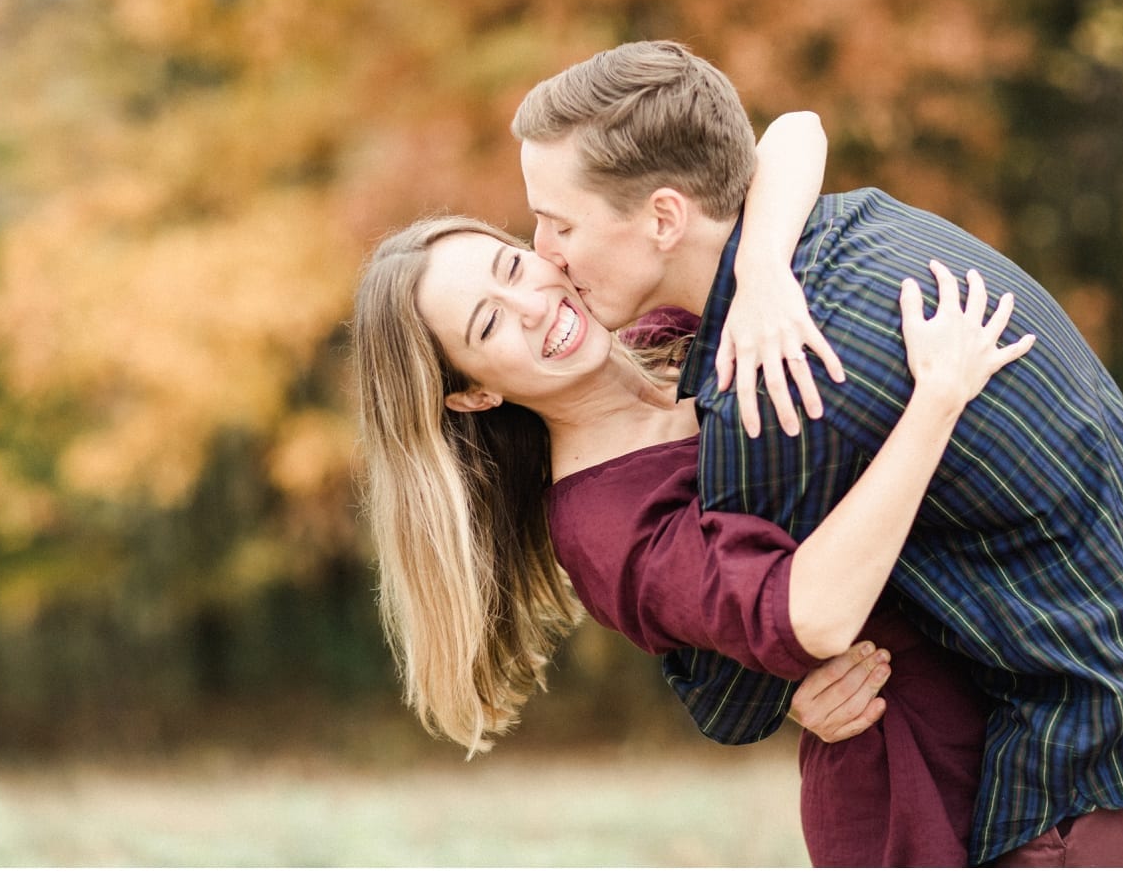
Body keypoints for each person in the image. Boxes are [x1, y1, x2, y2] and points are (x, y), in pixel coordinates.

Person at [508, 39, 1123, 867]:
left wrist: (782, 687)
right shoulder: (850, 227)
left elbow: (737, 690)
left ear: (665, 217)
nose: (544, 252)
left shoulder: (776, 378)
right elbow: (795, 132)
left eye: (559, 222)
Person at [355, 209, 1031, 865]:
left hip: (996, 682)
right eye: (490, 322)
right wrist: (938, 399)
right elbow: (808, 612)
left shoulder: (671, 330)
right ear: (473, 395)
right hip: (916, 792)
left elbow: (793, 140)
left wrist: (762, 267)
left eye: (511, 265)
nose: (530, 304)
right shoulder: (602, 526)